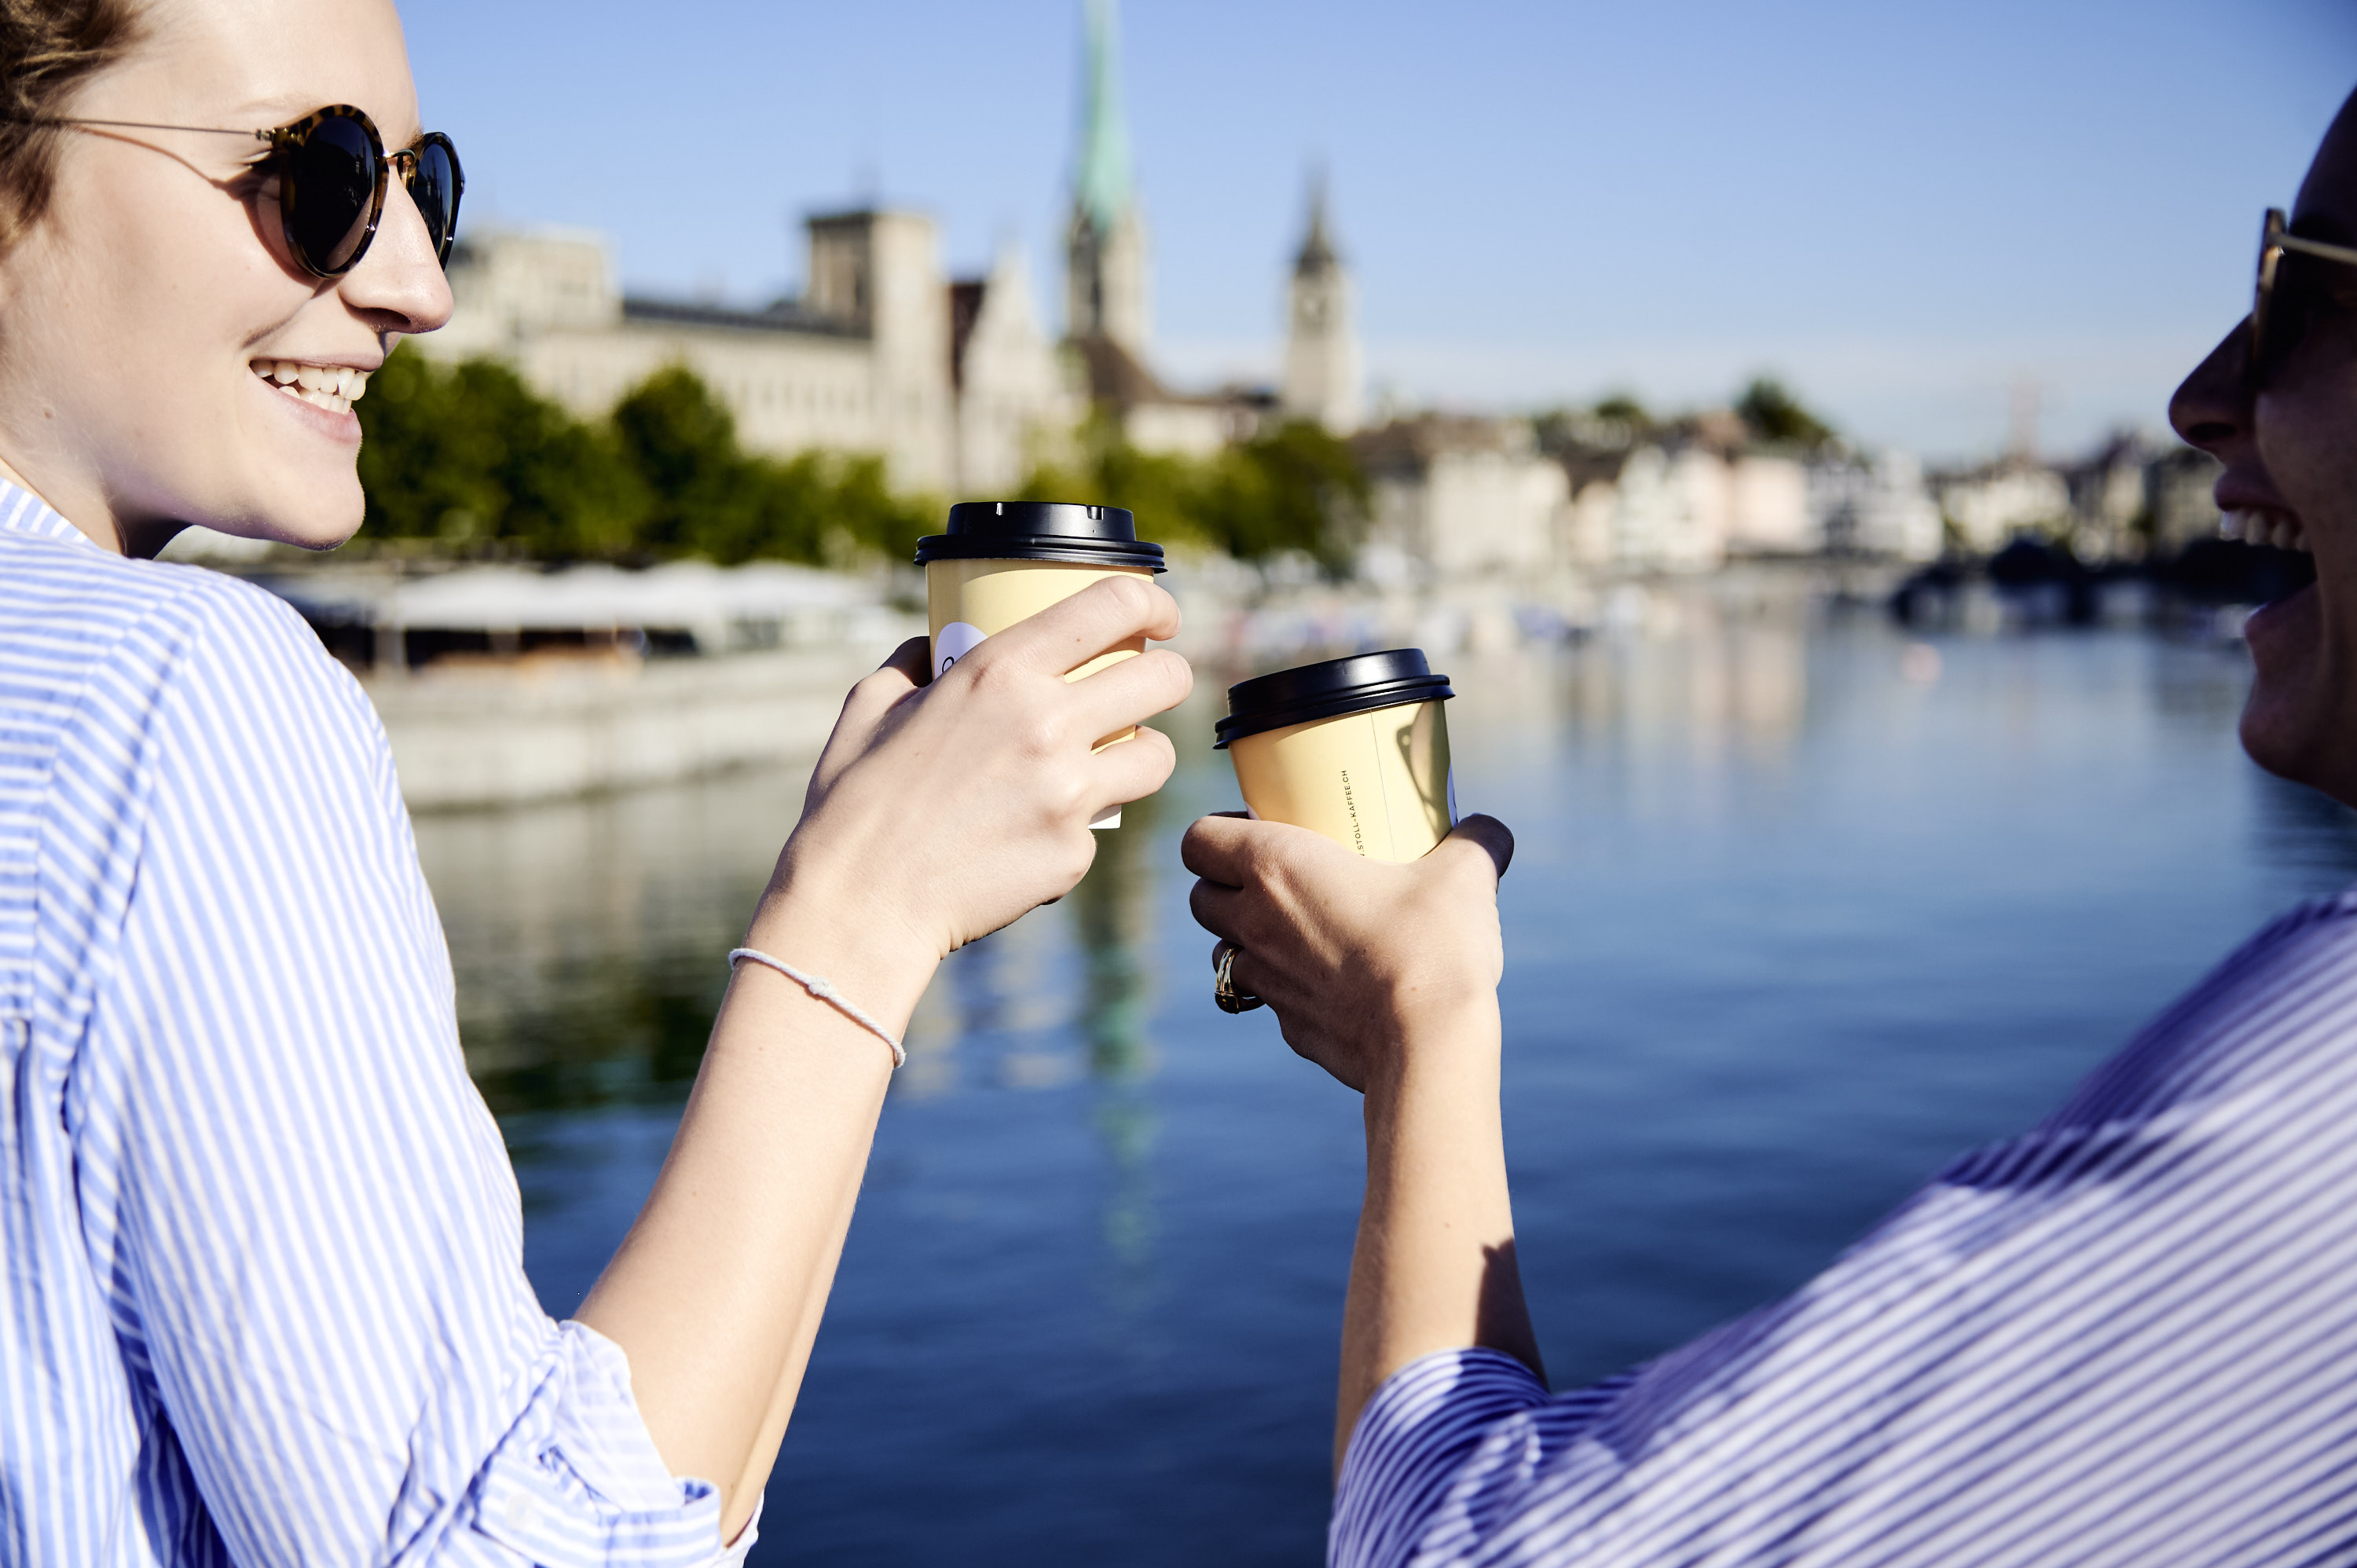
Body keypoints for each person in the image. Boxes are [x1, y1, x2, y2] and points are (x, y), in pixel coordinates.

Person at [0, 0, 1191, 1560]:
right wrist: (858, 917)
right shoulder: (184, 698)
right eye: (322, 176)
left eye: (430, 189)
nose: (418, 288)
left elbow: (670, 1514)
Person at [1187, 87, 2357, 1568]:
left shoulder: (2336, 1089)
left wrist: (1422, 1028)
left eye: (2299, 295)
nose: (2203, 394)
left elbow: (1473, 1555)